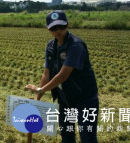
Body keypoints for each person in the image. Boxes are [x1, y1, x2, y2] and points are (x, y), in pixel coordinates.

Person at [24, 10, 99, 143]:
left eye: (61, 26)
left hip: (85, 99)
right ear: (48, 29)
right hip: (65, 100)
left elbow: (63, 74)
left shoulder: (76, 45)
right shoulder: (50, 46)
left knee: (87, 138)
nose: (58, 30)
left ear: (67, 25)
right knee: (67, 136)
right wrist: (37, 99)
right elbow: (46, 73)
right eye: (53, 28)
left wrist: (41, 89)